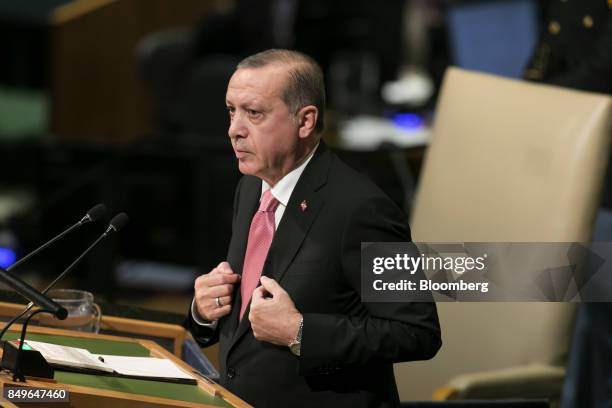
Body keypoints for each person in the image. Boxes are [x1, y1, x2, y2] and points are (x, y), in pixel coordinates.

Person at [185, 49, 441, 407]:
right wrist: (204, 311)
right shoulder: (250, 185)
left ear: (304, 121)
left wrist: (300, 333)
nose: (234, 130)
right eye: (231, 110)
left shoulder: (363, 209)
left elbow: (417, 332)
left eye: (253, 113)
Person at [524, 2, 612, 407]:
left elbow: (599, 73)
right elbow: (542, 62)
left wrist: (536, 98)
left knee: (595, 319)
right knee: (561, 315)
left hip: (605, 189)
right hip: (568, 177)